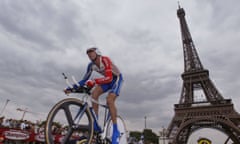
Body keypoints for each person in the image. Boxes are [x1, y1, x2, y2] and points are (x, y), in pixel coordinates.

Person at [64, 47, 123, 144]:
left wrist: (94, 81)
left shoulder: (105, 60)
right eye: (88, 54)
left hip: (116, 79)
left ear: (97, 53)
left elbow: (109, 77)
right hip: (107, 80)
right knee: (94, 95)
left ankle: (116, 130)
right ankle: (95, 124)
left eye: (91, 52)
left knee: (109, 100)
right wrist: (71, 88)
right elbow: (84, 80)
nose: (89, 55)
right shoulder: (91, 65)